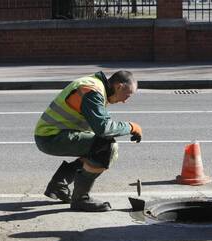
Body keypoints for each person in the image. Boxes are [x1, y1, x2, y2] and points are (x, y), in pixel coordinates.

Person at [34, 70, 142, 212]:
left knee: (97, 147)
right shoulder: (93, 91)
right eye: (127, 95)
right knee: (107, 148)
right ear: (119, 86)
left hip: (52, 134)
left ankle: (59, 185)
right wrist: (131, 127)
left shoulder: (96, 86)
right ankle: (80, 199)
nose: (125, 101)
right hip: (51, 137)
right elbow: (103, 128)